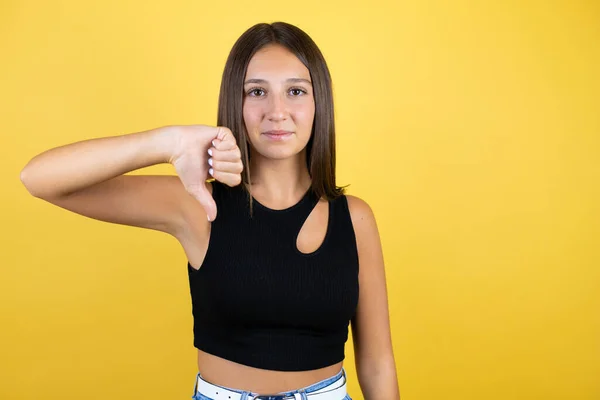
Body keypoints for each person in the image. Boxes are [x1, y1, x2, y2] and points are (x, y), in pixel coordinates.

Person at [20, 21, 400, 400]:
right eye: (256, 92)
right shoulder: (197, 205)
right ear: (235, 101)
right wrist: (168, 142)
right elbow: (39, 178)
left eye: (296, 91)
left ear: (321, 104)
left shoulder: (355, 219)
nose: (277, 111)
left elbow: (377, 363)